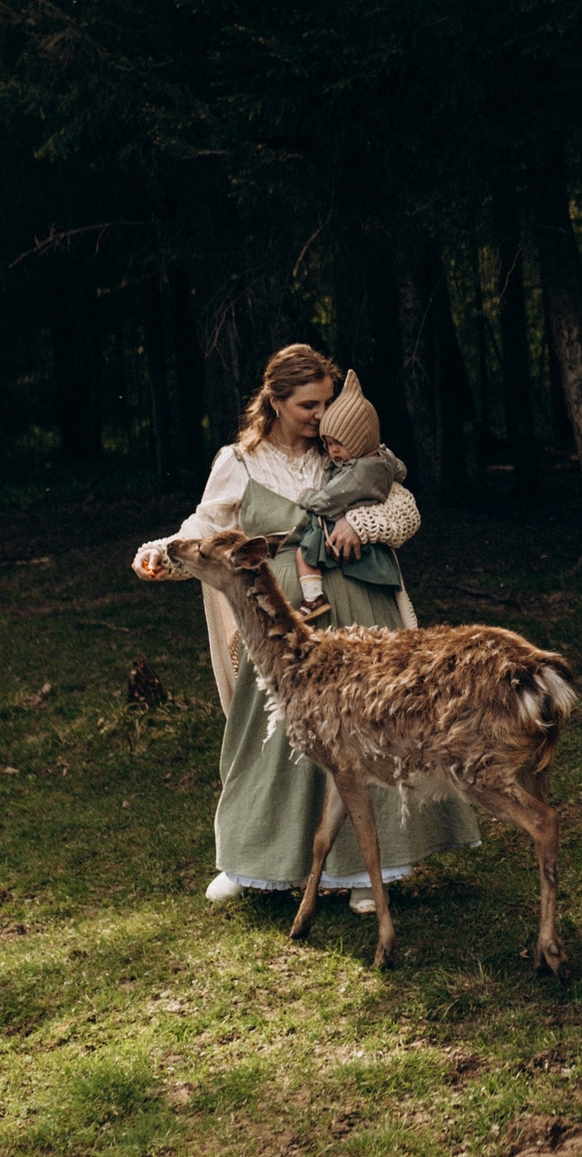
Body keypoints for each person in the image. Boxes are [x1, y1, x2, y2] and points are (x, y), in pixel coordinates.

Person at [131, 344, 478, 907]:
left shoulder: (346, 449)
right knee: (267, 735)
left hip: (362, 610)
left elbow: (405, 508)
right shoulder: (238, 462)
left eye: (325, 403)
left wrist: (362, 521)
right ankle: (252, 858)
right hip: (280, 621)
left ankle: (374, 870)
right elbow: (204, 525)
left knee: (373, 729)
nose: (319, 416)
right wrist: (161, 551)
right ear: (274, 401)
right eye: (307, 406)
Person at [288, 371, 406, 623]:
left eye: (338, 444)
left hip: (344, 544)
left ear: (359, 440)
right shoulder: (382, 458)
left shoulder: (357, 471)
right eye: (328, 444)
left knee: (304, 554)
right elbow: (401, 470)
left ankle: (312, 598)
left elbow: (328, 500)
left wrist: (307, 497)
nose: (332, 451)